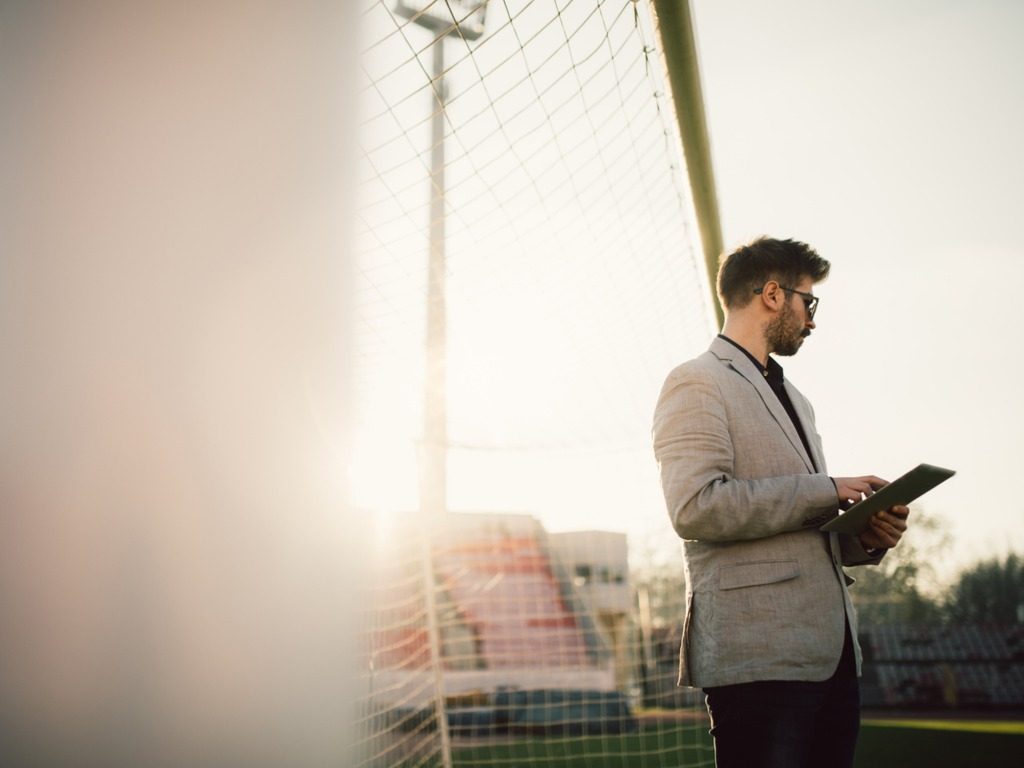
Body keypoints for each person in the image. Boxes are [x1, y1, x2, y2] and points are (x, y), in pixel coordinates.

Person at [652, 237, 910, 768]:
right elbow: (696, 508)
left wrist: (861, 537)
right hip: (756, 656)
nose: (812, 320)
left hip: (831, 655)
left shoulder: (799, 400)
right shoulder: (695, 382)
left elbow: (798, 525)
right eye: (807, 302)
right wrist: (828, 488)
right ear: (772, 294)